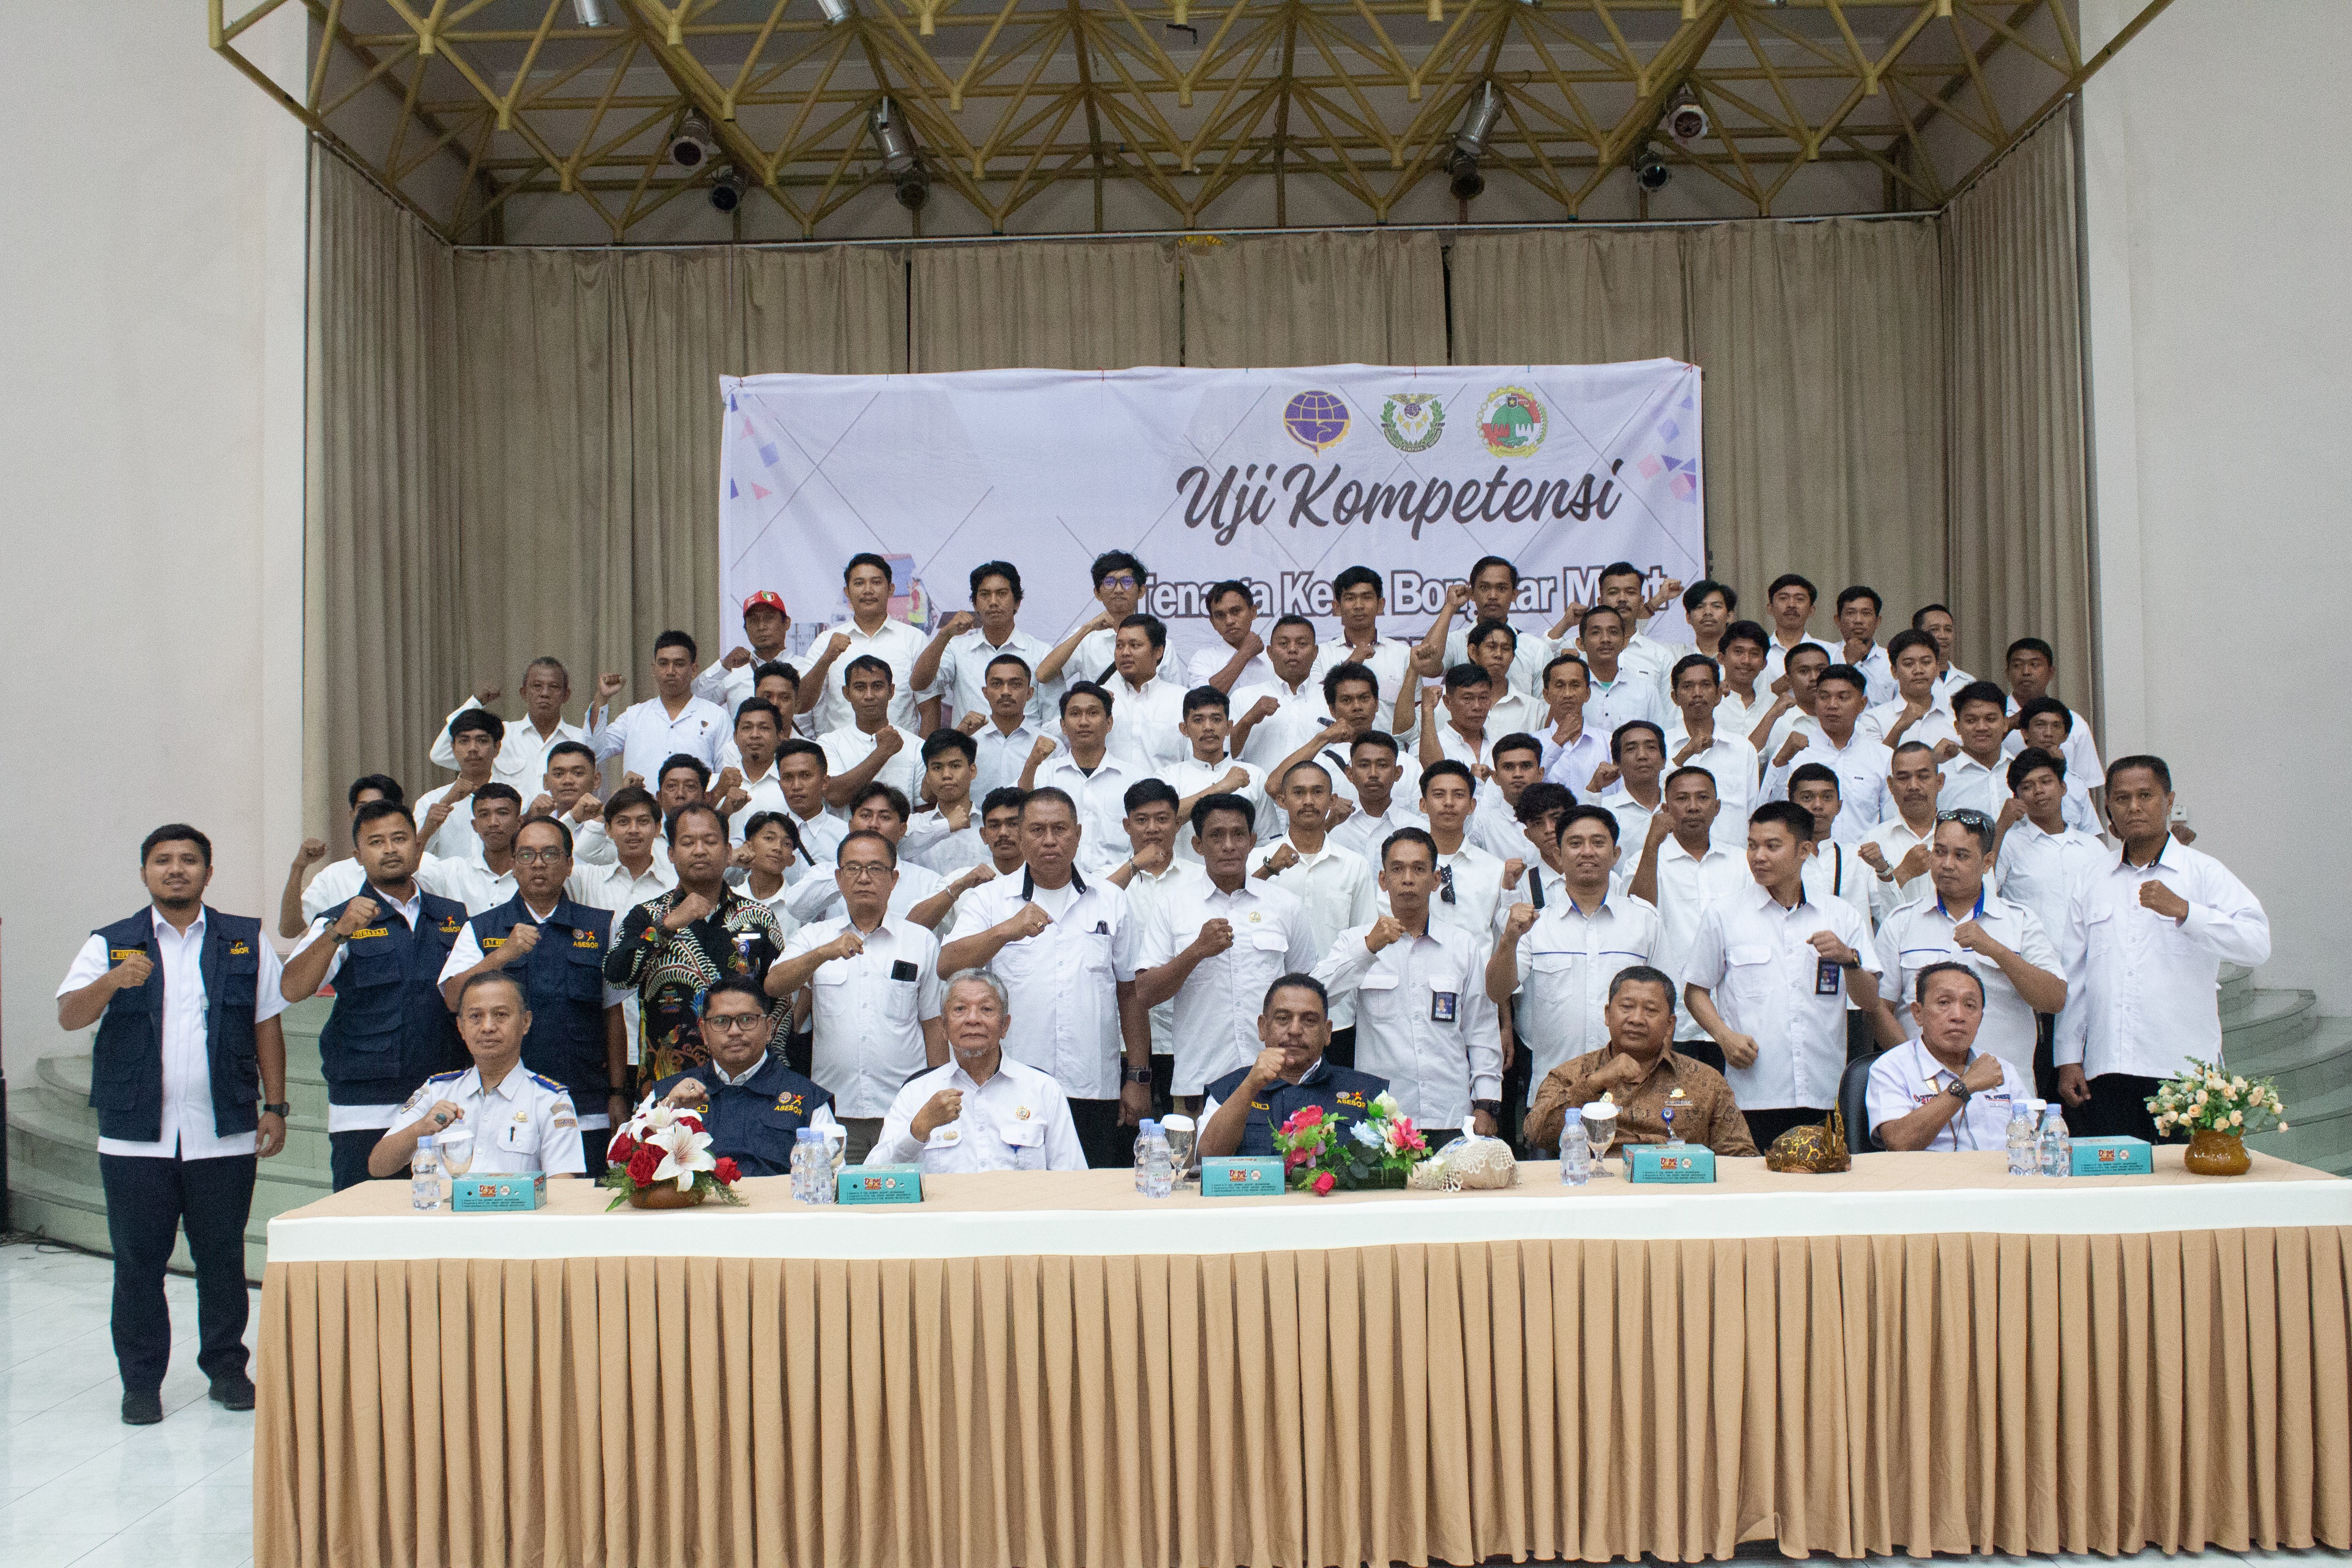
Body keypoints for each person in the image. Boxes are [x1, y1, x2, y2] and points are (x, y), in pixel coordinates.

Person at [55, 823, 289, 1425]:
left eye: (189, 860)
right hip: (136, 1138)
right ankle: (141, 1383)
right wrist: (111, 980)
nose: (176, 869)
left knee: (221, 1258)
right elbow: (69, 1016)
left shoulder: (244, 939)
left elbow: (267, 1023)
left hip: (224, 1129)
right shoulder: (111, 943)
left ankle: (227, 1370)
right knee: (138, 1263)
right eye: (163, 861)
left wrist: (277, 1105)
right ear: (145, 873)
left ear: (209, 873)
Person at [2055, 756, 2272, 1141]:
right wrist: (2069, 1056)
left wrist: (2187, 912)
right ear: (2109, 809)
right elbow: (2075, 974)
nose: (2134, 807)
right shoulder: (2091, 878)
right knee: (2118, 1185)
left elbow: (2256, 944)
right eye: (2122, 798)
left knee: (2184, 1186)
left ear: (2169, 801)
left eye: (2146, 795)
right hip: (2109, 1066)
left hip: (2182, 1068)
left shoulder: (2204, 873)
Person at [938, 788, 1148, 1166]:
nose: (1049, 840)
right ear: (1019, 836)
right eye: (1036, 830)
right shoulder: (990, 900)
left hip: (1092, 1084)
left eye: (1060, 829)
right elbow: (947, 965)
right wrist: (1005, 931)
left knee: (1089, 1202)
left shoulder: (1111, 900)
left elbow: (1130, 993)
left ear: (1078, 834)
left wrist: (1138, 1076)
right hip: (1014, 1085)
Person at [280, 801, 469, 1191]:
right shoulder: (338, 919)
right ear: (358, 856)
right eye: (376, 842)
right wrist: (339, 930)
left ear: (416, 847)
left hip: (445, 1100)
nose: (390, 849)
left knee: (445, 1227)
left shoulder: (452, 916)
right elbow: (293, 989)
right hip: (366, 1106)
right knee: (363, 1225)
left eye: (400, 839)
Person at [1683, 801, 1886, 1149]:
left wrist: (1849, 961)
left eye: (1772, 846)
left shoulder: (1840, 915)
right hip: (1752, 1092)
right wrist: (1724, 1036)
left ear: (1804, 850)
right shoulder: (1724, 915)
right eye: (1752, 845)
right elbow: (1695, 991)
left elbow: (1869, 1001)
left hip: (1823, 1090)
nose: (1758, 856)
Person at [435, 815, 630, 1171]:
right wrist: (502, 955)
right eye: (526, 855)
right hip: (503, 1105)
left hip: (583, 1102)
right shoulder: (481, 928)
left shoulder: (600, 926)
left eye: (551, 854)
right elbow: (452, 998)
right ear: (513, 865)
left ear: (570, 865)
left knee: (584, 1206)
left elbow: (613, 1014)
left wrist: (617, 1092)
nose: (538, 864)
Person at [766, 828, 948, 1164]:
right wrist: (823, 954)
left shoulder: (920, 941)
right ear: (838, 878)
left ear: (894, 879)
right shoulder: (814, 936)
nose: (864, 878)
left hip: (905, 1111)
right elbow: (774, 984)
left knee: (907, 1203)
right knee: (838, 1208)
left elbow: (933, 1025)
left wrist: (936, 1095)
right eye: (853, 868)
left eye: (876, 868)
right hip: (834, 1113)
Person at [1312, 827, 1502, 1144]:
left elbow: (1481, 1030)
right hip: (1382, 1119)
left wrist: (1486, 1104)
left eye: (1419, 869)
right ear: (1383, 880)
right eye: (1397, 869)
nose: (1408, 879)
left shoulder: (1462, 945)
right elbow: (1315, 997)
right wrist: (1367, 949)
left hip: (1450, 1113)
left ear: (1435, 879)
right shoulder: (1357, 941)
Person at [1133, 796, 1318, 1109]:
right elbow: (1145, 993)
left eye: (1238, 835)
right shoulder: (1173, 906)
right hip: (1201, 1083)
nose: (1229, 845)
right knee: (1198, 1161)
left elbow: (1307, 990)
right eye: (1216, 836)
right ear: (1197, 845)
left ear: (1253, 841)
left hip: (1277, 1080)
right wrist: (1196, 952)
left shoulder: (1285, 905)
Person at [603, 803, 793, 1093]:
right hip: (667, 1088)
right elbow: (616, 976)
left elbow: (780, 1000)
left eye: (710, 841)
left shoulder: (760, 918)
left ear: (729, 852)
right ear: (671, 853)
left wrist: (773, 1067)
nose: (700, 850)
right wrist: (666, 927)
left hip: (747, 1084)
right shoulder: (646, 915)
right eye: (688, 842)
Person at [1869, 811, 2064, 1080]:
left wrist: (1997, 950)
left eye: (1961, 856)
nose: (1947, 864)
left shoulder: (2019, 921)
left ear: (1987, 862)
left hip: (2004, 1089)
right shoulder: (1901, 922)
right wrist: (1914, 1066)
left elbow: (2054, 999)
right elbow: (1878, 1008)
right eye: (1940, 852)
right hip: (1921, 1090)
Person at [1488, 804, 1664, 1090]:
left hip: (1633, 1091)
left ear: (1616, 854)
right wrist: (1509, 939)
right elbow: (1497, 991)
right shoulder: (1537, 924)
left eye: (1598, 843)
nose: (1587, 852)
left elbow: (1667, 1007)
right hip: (1555, 1092)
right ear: (1557, 854)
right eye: (1575, 843)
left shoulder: (1645, 920)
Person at [365, 971, 588, 1180]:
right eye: (475, 1016)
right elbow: (379, 1166)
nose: (488, 1027)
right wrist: (422, 1128)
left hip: (512, 1219)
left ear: (525, 1022)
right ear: (461, 1027)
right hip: (443, 1219)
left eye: (501, 1015)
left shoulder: (551, 1102)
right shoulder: (437, 1091)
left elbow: (563, 1188)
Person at [1523, 966, 1758, 1158]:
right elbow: (1537, 1134)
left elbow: (1740, 1155)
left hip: (1678, 1192)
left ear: (1670, 1025)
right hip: (1600, 1195)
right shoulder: (1570, 1074)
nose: (1636, 1019)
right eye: (1626, 1007)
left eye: (1650, 1010)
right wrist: (1596, 1082)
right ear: (1607, 1015)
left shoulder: (1706, 1081)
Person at [867, 969, 1088, 1172]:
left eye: (987, 1009)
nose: (973, 1019)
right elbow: (872, 1178)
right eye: (960, 1009)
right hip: (944, 1216)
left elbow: (1074, 1180)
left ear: (1005, 1026)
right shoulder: (916, 1093)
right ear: (943, 1028)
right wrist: (918, 1129)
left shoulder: (1043, 1089)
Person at [637, 976, 841, 1174]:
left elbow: (829, 1171)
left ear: (769, 1028)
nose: (734, 1031)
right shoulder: (669, 1093)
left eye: (747, 1019)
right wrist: (668, 1108)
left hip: (775, 1207)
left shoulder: (808, 1098)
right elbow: (617, 1160)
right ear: (704, 1032)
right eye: (721, 1021)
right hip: (694, 1207)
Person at [1246, 760, 1378, 1058]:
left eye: (1318, 792)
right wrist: (1269, 870)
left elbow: (1364, 941)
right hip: (1270, 1020)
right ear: (1282, 800)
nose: (1308, 801)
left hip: (1336, 1018)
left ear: (1332, 801)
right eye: (1299, 792)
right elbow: (1236, 914)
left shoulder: (1354, 865)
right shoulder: (1257, 861)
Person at [1627, 766, 1749, 1074]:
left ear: (1717, 806)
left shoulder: (1742, 863)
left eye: (1703, 798)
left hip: (1733, 1014)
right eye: (1682, 799)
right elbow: (1639, 914)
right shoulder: (1644, 860)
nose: (1693, 807)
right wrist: (1652, 846)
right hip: (1673, 1014)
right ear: (1666, 808)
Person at [1198, 974, 1392, 1159]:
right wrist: (1250, 1087)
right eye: (1283, 1019)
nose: (1295, 1030)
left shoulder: (1368, 1093)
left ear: (1327, 1033)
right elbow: (1205, 1160)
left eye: (1309, 1021)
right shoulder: (1228, 1089)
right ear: (1263, 1027)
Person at [1866, 961, 2034, 1152]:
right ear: (1918, 1014)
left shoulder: (2000, 1070)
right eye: (1944, 1003)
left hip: (2000, 1179)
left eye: (1970, 1005)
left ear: (1980, 1018)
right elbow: (1899, 1143)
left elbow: (2037, 1138)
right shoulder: (1891, 1068)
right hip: (1929, 1180)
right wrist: (1964, 1087)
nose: (1958, 1016)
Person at [1104, 779, 1201, 1107]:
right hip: (1122, 1039)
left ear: (1177, 824)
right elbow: (1091, 912)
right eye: (1141, 820)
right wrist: (1135, 867)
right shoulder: (1106, 880)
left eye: (1162, 819)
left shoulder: (1201, 878)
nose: (1152, 828)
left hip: (1188, 1035)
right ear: (1126, 825)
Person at [784, 783, 981, 930]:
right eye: (866, 815)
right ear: (851, 825)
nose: (873, 824)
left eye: (885, 817)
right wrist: (851, 871)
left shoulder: (929, 882)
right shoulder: (826, 873)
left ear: (903, 829)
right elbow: (797, 908)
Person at [284, 774, 464, 936]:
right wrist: (298, 867)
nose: (371, 815)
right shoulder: (333, 876)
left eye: (380, 807)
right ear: (351, 814)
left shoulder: (431, 866)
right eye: (363, 808)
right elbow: (290, 930)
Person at [797, 553, 936, 734]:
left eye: (876, 582)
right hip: (839, 758)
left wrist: (923, 760)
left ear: (891, 590)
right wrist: (827, 659)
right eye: (859, 583)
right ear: (847, 593)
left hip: (902, 758)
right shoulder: (826, 642)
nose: (868, 590)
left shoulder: (915, 640)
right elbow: (801, 705)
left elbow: (930, 708)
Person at [912, 561, 1053, 729]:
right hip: (970, 753)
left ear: (1017, 602)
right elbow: (919, 684)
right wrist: (945, 634)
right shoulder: (957, 649)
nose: (993, 602)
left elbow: (1054, 719)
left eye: (1002, 593)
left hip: (1026, 754)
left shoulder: (1041, 653)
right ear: (975, 604)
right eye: (985, 595)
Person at [1765, 664, 1890, 843]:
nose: (1832, 705)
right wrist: (1782, 762)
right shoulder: (1792, 752)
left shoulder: (1883, 757)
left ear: (1862, 704)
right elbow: (1770, 810)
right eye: (1824, 697)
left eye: (1843, 697)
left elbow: (1890, 822)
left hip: (1861, 865)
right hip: (1804, 863)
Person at [1029, 681, 1144, 875]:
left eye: (1093, 713)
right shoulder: (1044, 774)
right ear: (1063, 726)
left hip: (1122, 887)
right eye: (1075, 714)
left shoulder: (1135, 779)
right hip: (1057, 884)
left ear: (1109, 724)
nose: (1084, 722)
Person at [431, 657, 591, 791]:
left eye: (554, 687)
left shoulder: (582, 738)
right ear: (524, 693)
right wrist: (476, 703)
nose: (545, 693)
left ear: (566, 695)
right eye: (537, 686)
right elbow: (441, 754)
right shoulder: (501, 734)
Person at [589, 630, 730, 780]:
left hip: (697, 804)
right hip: (642, 804)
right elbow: (596, 751)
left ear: (694, 669)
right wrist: (602, 698)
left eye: (679, 664)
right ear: (653, 669)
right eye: (663, 664)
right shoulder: (634, 716)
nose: (671, 671)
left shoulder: (717, 716)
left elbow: (726, 774)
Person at [1165, 686, 1272, 860]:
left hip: (1241, 882)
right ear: (1184, 729)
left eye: (1216, 719)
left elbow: (1265, 843)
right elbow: (1164, 821)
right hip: (1184, 882)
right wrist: (1223, 787)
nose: (1208, 727)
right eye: (1198, 720)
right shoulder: (1168, 778)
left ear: (1229, 727)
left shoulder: (1255, 776)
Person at [1661, 656, 1756, 851]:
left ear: (1718, 695)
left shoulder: (1742, 749)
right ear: (1675, 698)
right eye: (1688, 686)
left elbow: (1752, 811)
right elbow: (1655, 801)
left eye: (1705, 685)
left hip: (1733, 861)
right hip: (1674, 861)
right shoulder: (1660, 746)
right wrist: (1684, 754)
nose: (1697, 693)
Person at [1422, 558, 1550, 696]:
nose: (1493, 596)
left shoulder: (1537, 650)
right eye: (1484, 587)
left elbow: (1544, 710)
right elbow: (1426, 665)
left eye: (1502, 588)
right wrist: (1450, 607)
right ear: (1471, 593)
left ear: (1514, 595)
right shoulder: (1456, 642)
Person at [2003, 637, 2102, 815]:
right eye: (2018, 665)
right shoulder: (1993, 719)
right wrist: (2008, 724)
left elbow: (2087, 786)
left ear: (2051, 672)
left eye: (2035, 665)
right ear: (2007, 672)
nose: (2026, 672)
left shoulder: (2075, 723)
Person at [1412, 760, 1511, 937]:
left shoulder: (1495, 870)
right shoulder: (1406, 866)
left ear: (1472, 806)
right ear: (1423, 805)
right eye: (1439, 795)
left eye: (1458, 795)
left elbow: (1499, 936)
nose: (1449, 803)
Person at [818, 654, 925, 810]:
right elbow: (835, 796)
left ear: (891, 691)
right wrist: (883, 752)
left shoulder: (916, 746)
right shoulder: (829, 743)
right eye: (860, 687)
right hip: (846, 834)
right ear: (847, 693)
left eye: (877, 686)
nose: (869, 696)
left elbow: (923, 811)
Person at [1854, 741, 1944, 926]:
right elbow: (1869, 912)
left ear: (1940, 782)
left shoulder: (1963, 837)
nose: (1913, 786)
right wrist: (1903, 873)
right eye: (1903, 778)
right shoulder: (1872, 842)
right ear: (1890, 785)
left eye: (1923, 776)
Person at [1037, 549, 1149, 692]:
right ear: (1097, 593)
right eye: (1110, 582)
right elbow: (1043, 675)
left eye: (1127, 582)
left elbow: (1171, 693)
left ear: (1141, 591)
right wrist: (1087, 628)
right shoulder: (1086, 637)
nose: (1119, 590)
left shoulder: (1157, 638)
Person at [1229, 616, 1328, 774]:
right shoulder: (1243, 697)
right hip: (1258, 796)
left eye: (1302, 644)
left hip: (1315, 796)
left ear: (1315, 652)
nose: (1293, 650)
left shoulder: (1331, 700)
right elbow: (1225, 756)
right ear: (1270, 652)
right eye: (1284, 644)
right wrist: (1249, 720)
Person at [1312, 565, 1417, 706]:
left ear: (1381, 605)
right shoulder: (1319, 655)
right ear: (1337, 608)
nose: (1359, 606)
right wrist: (1354, 660)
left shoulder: (1404, 655)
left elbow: (1416, 710)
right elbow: (1315, 705)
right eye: (1350, 598)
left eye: (1367, 598)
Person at [1098, 612, 1189, 775]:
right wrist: (1094, 709)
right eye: (1120, 646)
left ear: (1158, 652)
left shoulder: (1182, 700)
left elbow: (1192, 763)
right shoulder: (1101, 698)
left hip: (1165, 797)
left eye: (1135, 645)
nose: (1125, 653)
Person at [414, 707, 504, 862]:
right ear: (453, 748)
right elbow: (413, 857)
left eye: (482, 741)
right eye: (464, 741)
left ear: (497, 748)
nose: (473, 749)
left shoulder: (518, 798)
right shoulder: (430, 801)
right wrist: (443, 806)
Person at [1327, 731, 1426, 863]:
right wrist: (1328, 826)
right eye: (1364, 765)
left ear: (1397, 773)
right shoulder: (1333, 826)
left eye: (1382, 765)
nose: (1373, 774)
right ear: (1350, 774)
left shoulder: (1419, 830)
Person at [967, 652, 1054, 800]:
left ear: (1029, 693)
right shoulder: (968, 742)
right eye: (997, 684)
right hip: (976, 823)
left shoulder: (1050, 746)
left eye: (1016, 684)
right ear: (986, 693)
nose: (1006, 692)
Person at [695, 590, 794, 715]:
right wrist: (724, 666)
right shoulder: (732, 673)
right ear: (745, 629)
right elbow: (693, 703)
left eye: (769, 618)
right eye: (754, 621)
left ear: (787, 623)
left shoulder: (806, 668)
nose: (762, 627)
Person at [1574, 605, 1666, 738]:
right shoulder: (1571, 692)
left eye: (1613, 632)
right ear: (1581, 644)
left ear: (1624, 642)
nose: (1605, 639)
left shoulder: (1646, 691)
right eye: (1596, 633)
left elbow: (1660, 741)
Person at [436, 782, 525, 915]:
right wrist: (432, 823)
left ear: (519, 823)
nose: (493, 823)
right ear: (475, 825)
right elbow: (412, 871)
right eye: (484, 815)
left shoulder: (534, 873)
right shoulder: (455, 871)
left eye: (502, 813)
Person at [715, 697, 791, 842]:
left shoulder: (791, 785)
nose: (755, 735)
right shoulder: (716, 785)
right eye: (747, 728)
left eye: (764, 728)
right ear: (735, 737)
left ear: (780, 736)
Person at [1936, 681, 2014, 819]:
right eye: (1971, 721)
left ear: (2005, 724)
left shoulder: (2022, 772)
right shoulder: (1941, 779)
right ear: (1958, 727)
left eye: (1990, 719)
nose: (1982, 728)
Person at [1536, 652, 1609, 795]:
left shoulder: (1609, 742)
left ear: (1588, 693)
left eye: (1575, 685)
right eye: (1559, 686)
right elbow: (1528, 788)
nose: (1568, 694)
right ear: (1547, 695)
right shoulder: (1533, 743)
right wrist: (1557, 743)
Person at [1187, 578, 1275, 694]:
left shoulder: (1273, 658)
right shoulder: (1204, 659)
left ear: (1253, 612)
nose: (1229, 621)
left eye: (1236, 611)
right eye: (1220, 615)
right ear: (1213, 622)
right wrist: (1244, 654)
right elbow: (1202, 702)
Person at [1464, 620, 1546, 739]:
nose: (1498, 654)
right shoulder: (1453, 703)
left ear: (1513, 656)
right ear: (1473, 652)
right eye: (1492, 647)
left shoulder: (1533, 709)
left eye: (1506, 648)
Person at [1596, 720, 1668, 848]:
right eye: (1631, 749)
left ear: (1664, 760)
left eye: (1651, 747)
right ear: (1617, 763)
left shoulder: (1680, 805)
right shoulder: (1605, 810)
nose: (1642, 756)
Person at [1418, 662, 1499, 770]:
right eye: (1467, 698)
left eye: (1483, 698)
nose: (1477, 707)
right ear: (1448, 703)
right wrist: (1428, 709)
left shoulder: (1500, 744)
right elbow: (1434, 773)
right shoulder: (1425, 746)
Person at [1831, 585, 1897, 707]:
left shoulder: (1892, 660)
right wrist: (1847, 663)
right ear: (1838, 621)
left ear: (1878, 621)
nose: (1858, 620)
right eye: (1851, 613)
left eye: (1866, 613)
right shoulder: (1827, 656)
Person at [1712, 619, 1773, 744]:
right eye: (1738, 652)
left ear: (1764, 664)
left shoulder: (1773, 704)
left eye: (1754, 654)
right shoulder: (1708, 702)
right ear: (1721, 658)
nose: (1746, 660)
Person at [1757, 573, 1820, 686]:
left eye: (1800, 599)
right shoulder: (1757, 653)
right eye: (1783, 598)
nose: (1791, 605)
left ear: (1812, 610)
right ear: (1770, 608)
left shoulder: (1830, 651)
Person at [1910, 603, 1975, 700]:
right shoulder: (1907, 679)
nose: (1943, 636)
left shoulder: (1968, 682)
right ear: (1917, 634)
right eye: (1935, 630)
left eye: (1948, 630)